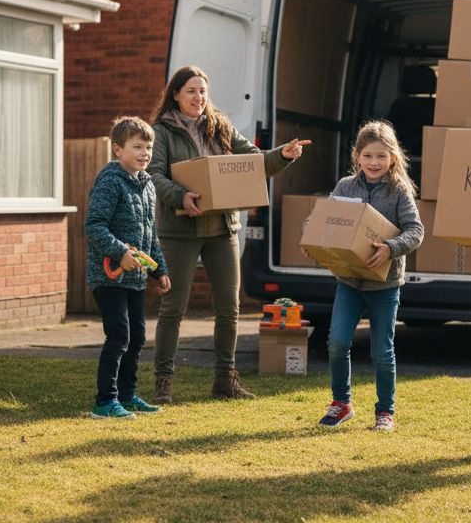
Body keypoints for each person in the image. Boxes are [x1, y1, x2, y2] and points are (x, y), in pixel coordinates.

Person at [149, 65, 310, 402]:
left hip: (222, 227)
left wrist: (282, 155)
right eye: (191, 91)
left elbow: (254, 162)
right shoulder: (161, 131)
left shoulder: (220, 127)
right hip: (181, 229)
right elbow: (154, 174)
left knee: (229, 307)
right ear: (176, 94)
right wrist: (181, 195)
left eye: (203, 91)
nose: (198, 97)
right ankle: (163, 382)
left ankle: (225, 380)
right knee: (173, 308)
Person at [309, 120, 423, 432]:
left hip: (384, 285)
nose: (374, 163)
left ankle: (385, 412)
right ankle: (341, 403)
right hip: (349, 281)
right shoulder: (346, 186)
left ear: (393, 158)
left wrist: (390, 247)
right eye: (368, 156)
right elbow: (324, 220)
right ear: (357, 156)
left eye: (381, 157)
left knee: (381, 352)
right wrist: (315, 239)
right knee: (336, 342)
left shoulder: (398, 191)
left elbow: (416, 231)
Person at [84, 116, 172, 419]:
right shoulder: (110, 181)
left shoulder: (147, 185)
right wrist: (120, 252)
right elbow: (94, 226)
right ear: (117, 150)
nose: (144, 153)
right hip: (108, 276)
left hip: (135, 278)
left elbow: (150, 234)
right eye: (137, 147)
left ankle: (128, 395)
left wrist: (159, 269)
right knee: (119, 336)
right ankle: (105, 401)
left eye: (148, 147)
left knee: (136, 338)